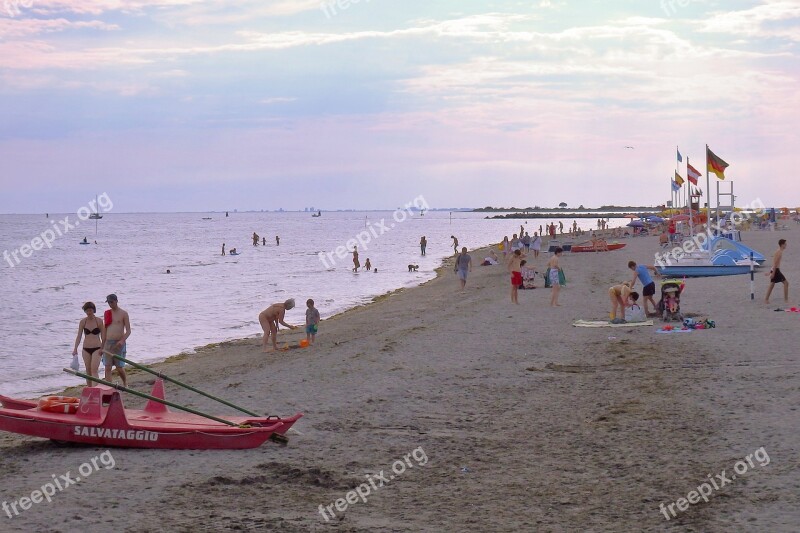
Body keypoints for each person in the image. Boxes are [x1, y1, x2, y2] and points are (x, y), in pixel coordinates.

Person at [72, 302, 105, 386]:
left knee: (94, 370)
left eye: (90, 310)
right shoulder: (83, 322)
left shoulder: (99, 321)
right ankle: (90, 389)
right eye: (87, 310)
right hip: (86, 349)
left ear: (94, 310)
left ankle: (96, 389)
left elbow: (104, 336)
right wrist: (75, 348)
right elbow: (79, 336)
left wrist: (102, 348)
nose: (89, 312)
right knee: (88, 370)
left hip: (97, 348)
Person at [103, 294, 130, 387]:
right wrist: (102, 343)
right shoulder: (107, 313)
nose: (110, 304)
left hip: (119, 343)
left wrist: (122, 340)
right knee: (107, 366)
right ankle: (109, 386)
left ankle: (125, 383)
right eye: (109, 302)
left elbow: (128, 331)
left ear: (116, 301)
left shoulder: (123, 313)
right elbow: (105, 329)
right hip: (108, 342)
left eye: (112, 302)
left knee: (119, 367)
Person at [765, 239, 789, 304]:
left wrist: (770, 272)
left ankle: (766, 299)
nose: (786, 245)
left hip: (775, 270)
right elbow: (775, 263)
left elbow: (774, 263)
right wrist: (772, 273)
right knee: (786, 283)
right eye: (785, 244)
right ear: (782, 245)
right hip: (776, 270)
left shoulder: (779, 251)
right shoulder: (779, 252)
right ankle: (786, 300)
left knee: (772, 284)